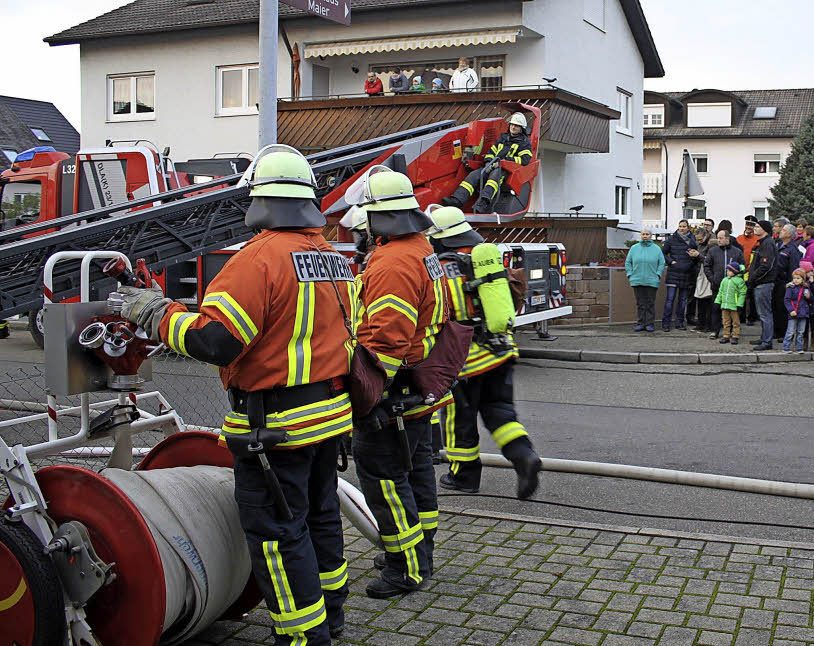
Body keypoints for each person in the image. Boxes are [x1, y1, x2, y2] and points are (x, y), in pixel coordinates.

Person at [117, 146, 354, 643]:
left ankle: (303, 634)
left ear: (258, 200)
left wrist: (154, 313)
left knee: (277, 534)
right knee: (320, 518)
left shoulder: (257, 261)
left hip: (276, 428)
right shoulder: (333, 260)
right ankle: (330, 612)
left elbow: (215, 341)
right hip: (329, 417)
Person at [350, 168, 456, 598]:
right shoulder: (421, 250)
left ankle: (405, 568)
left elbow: (387, 338)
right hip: (417, 389)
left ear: (379, 218)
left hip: (392, 394)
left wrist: (368, 394)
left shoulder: (393, 262)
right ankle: (421, 552)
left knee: (387, 481)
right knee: (415, 477)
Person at [425, 207, 542, 499]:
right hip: (501, 351)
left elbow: (438, 315)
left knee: (457, 419)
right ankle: (523, 456)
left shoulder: (439, 270)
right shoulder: (484, 260)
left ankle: (463, 477)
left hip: (465, 362)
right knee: (501, 412)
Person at [441, 112, 533, 214]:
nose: (513, 127)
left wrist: (506, 161)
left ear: (522, 128)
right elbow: (491, 152)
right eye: (512, 124)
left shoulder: (524, 143)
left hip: (507, 171)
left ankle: (482, 205)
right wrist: (488, 162)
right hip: (493, 165)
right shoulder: (503, 138)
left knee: (494, 178)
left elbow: (525, 159)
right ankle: (457, 200)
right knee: (474, 175)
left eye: (516, 125)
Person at [704, 229, 743, 338]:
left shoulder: (737, 252)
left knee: (732, 310)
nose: (718, 240)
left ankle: (732, 331)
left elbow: (742, 267)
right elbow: (707, 265)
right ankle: (715, 330)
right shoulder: (713, 251)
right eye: (718, 238)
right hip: (718, 285)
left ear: (727, 239)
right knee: (716, 308)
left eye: (721, 238)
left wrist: (737, 279)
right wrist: (712, 278)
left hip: (733, 287)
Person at [661, 219, 699, 331]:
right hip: (673, 272)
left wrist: (691, 261)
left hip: (686, 273)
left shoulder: (693, 240)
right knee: (670, 300)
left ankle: (679, 323)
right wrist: (671, 261)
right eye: (680, 226)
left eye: (684, 226)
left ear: (688, 227)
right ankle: (666, 323)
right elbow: (663, 253)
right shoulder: (671, 239)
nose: (682, 228)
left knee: (683, 301)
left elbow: (696, 256)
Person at [625, 228, 664, 332]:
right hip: (637, 280)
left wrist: (658, 275)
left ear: (651, 236)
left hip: (652, 280)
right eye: (643, 234)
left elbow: (661, 263)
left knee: (650, 303)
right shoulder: (634, 248)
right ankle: (641, 323)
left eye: (647, 234)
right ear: (640, 235)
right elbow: (628, 262)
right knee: (640, 303)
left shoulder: (657, 249)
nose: (645, 236)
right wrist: (630, 274)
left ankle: (649, 324)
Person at [748, 220, 778, 350]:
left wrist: (753, 278)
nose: (755, 228)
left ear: (765, 229)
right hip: (760, 282)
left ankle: (767, 341)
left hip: (764, 283)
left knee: (765, 313)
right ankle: (764, 337)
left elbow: (766, 265)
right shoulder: (763, 243)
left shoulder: (767, 243)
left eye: (758, 227)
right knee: (762, 313)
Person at [773, 224, 802, 343]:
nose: (781, 232)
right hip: (776, 281)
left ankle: (783, 333)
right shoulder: (779, 245)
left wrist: (791, 284)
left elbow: (793, 268)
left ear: (790, 234)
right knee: (775, 307)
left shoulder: (792, 249)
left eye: (784, 230)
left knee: (782, 308)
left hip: (784, 282)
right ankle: (776, 331)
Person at [736, 215, 761, 324]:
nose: (749, 227)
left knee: (751, 296)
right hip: (740, 271)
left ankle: (751, 317)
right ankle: (740, 317)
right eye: (747, 224)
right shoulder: (739, 238)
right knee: (741, 295)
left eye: (751, 225)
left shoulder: (758, 240)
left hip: (752, 271)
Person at [714, 261, 746, 345]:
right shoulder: (724, 280)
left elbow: (742, 293)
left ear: (735, 272)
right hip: (725, 304)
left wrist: (739, 304)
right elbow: (720, 292)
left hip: (734, 305)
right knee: (725, 321)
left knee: (735, 322)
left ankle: (735, 336)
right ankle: (726, 335)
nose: (727, 272)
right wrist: (717, 301)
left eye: (729, 270)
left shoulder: (739, 281)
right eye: (727, 270)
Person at [782, 269, 811, 353]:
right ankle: (786, 347)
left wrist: (809, 297)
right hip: (794, 312)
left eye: (798, 278)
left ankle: (799, 347)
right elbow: (787, 300)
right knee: (790, 331)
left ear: (803, 279)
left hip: (803, 313)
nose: (796, 280)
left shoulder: (805, 288)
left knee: (801, 331)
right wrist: (791, 310)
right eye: (794, 278)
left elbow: (809, 299)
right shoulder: (790, 288)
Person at [693, 227, 715, 332]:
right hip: (700, 275)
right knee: (700, 301)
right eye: (697, 239)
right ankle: (700, 324)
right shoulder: (699, 245)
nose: (698, 241)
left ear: (705, 236)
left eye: (700, 239)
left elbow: (709, 260)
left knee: (707, 302)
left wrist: (698, 255)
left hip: (707, 276)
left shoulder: (711, 245)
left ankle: (707, 325)